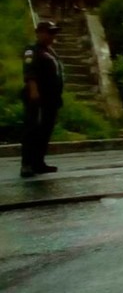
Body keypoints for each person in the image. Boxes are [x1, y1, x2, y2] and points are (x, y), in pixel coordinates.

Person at [21, 21, 64, 178]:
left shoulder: (50, 51)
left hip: (51, 98)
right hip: (38, 97)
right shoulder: (31, 50)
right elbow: (29, 71)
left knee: (46, 130)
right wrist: (33, 90)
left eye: (54, 33)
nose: (52, 36)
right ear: (39, 33)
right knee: (33, 129)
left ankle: (38, 162)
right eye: (49, 32)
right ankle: (27, 164)